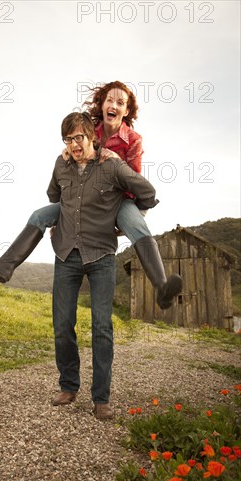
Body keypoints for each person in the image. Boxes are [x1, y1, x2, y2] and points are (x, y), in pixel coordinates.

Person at [0, 81, 182, 309]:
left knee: (138, 227)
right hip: (83, 197)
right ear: (102, 105)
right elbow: (74, 148)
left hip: (117, 200)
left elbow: (134, 180)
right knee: (40, 215)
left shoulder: (133, 140)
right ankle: (6, 265)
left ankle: (161, 287)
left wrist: (117, 164)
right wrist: (69, 152)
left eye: (120, 102)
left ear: (126, 111)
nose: (113, 105)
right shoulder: (91, 129)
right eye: (109, 100)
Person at [47, 111, 159, 420]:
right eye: (67, 140)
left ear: (92, 137)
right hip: (66, 254)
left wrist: (127, 217)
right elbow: (53, 194)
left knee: (101, 327)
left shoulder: (112, 165)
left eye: (78, 138)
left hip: (101, 257)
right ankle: (69, 386)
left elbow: (147, 192)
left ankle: (101, 398)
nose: (73, 145)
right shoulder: (61, 164)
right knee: (62, 325)